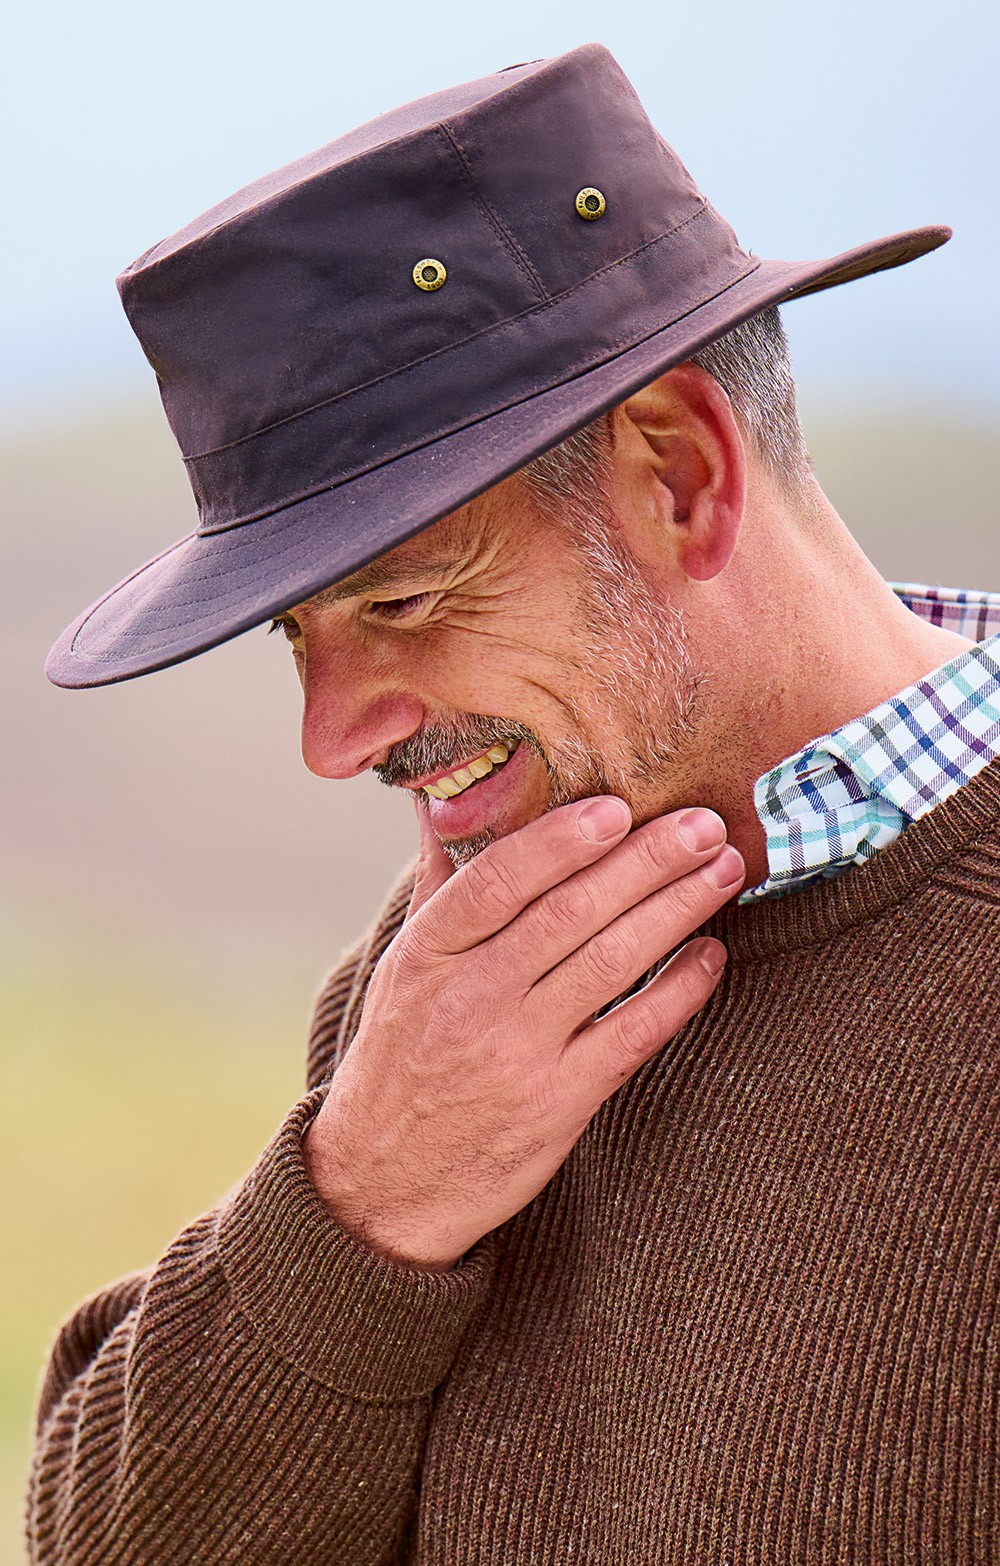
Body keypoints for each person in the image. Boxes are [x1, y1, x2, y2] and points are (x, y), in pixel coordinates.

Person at [33, 43, 1000, 1566]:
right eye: (299, 631)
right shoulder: (459, 974)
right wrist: (359, 1206)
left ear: (680, 474)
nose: (332, 740)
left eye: (406, 599)